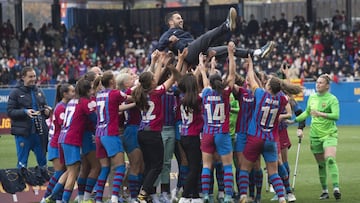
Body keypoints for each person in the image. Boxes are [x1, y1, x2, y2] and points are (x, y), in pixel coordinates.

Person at [238, 55, 303, 203]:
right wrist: (286, 79)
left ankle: (243, 196)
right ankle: (282, 197)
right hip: (271, 140)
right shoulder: (281, 99)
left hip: (255, 137)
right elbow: (284, 90)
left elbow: (252, 80)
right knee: (273, 172)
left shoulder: (260, 94)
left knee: (244, 168)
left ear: (267, 86)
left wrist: (250, 65)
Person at [132, 51, 180, 203]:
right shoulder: (157, 93)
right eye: (153, 79)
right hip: (153, 133)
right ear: (151, 82)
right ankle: (143, 194)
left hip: (142, 132)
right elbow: (173, 78)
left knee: (149, 165)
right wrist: (175, 65)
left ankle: (147, 194)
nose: (155, 79)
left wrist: (159, 62)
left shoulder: (139, 93)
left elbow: (155, 77)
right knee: (157, 165)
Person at [157, 8, 275, 66]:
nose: (181, 19)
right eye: (178, 18)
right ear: (171, 22)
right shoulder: (168, 34)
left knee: (227, 49)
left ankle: (258, 52)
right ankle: (226, 26)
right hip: (188, 53)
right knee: (206, 36)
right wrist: (169, 40)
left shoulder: (183, 32)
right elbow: (160, 45)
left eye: (181, 17)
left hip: (198, 53)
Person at [291, 74, 341, 200]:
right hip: (315, 135)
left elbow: (336, 116)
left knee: (330, 159)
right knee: (321, 165)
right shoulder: (312, 97)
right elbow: (307, 112)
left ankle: (336, 188)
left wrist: (320, 113)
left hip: (329, 134)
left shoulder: (332, 99)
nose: (317, 84)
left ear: (327, 86)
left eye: (321, 83)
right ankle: (325, 191)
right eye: (317, 82)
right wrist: (293, 121)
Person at [198, 42, 236, 203]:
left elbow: (205, 78)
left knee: (207, 165)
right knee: (227, 166)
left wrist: (203, 64)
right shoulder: (225, 93)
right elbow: (232, 75)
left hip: (207, 133)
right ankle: (227, 196)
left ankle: (206, 195)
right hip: (222, 133)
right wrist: (231, 54)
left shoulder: (206, 92)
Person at [7, 66, 52, 169]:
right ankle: (21, 184)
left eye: (34, 76)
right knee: (22, 163)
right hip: (24, 133)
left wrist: (46, 112)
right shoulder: (15, 93)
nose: (33, 79)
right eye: (30, 76)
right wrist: (25, 112)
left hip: (39, 133)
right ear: (23, 77)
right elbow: (10, 112)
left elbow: (44, 109)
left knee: (43, 162)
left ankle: (43, 184)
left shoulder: (39, 91)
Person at [41, 83, 75, 203]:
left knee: (64, 171)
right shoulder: (61, 107)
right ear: (65, 94)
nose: (74, 93)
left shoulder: (64, 106)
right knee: (61, 171)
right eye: (72, 91)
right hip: (56, 144)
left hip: (59, 142)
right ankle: (46, 197)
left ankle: (57, 199)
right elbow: (64, 125)